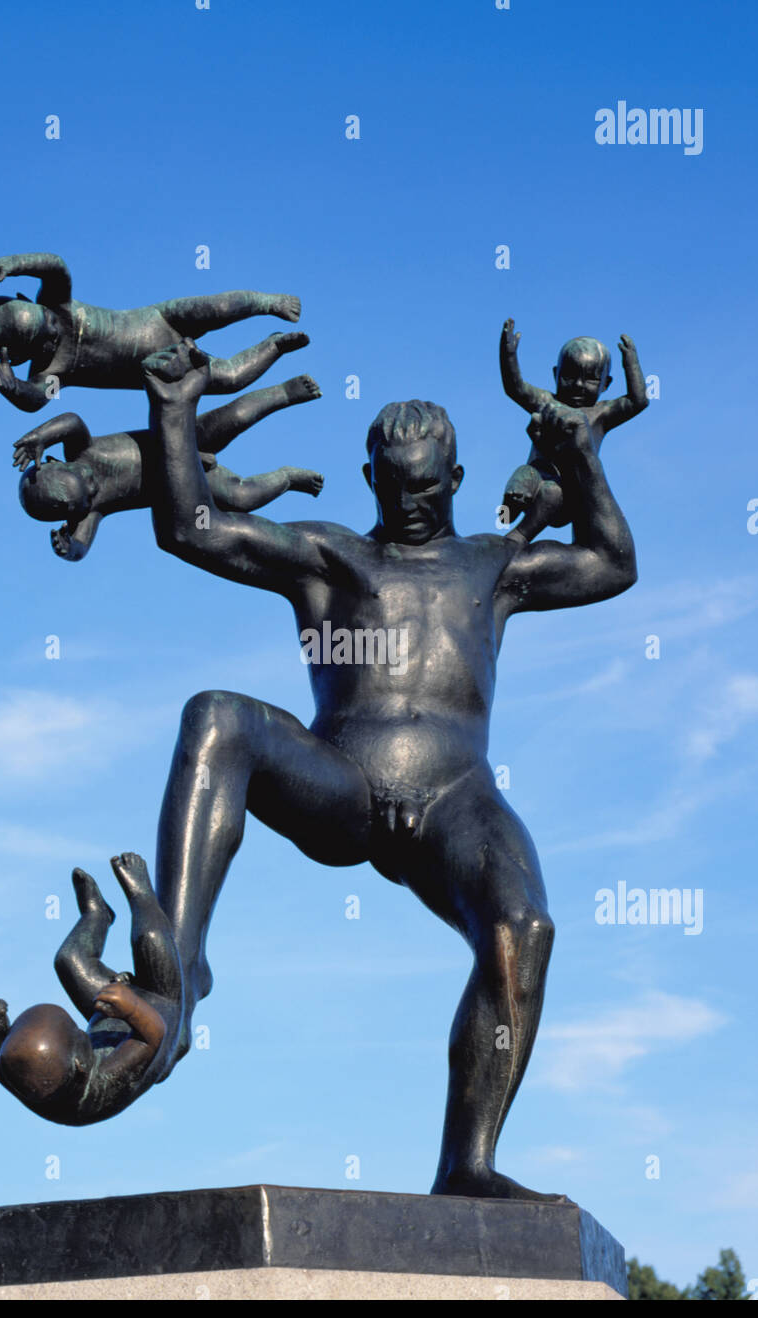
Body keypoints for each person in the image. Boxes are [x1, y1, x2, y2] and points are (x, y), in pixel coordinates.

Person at [140, 339, 637, 1201]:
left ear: (455, 477)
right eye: (395, 485)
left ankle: (466, 1165)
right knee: (216, 714)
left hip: (457, 800)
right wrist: (175, 411)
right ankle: (177, 974)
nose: (412, 502)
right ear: (371, 478)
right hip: (342, 781)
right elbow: (192, 527)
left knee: (524, 929)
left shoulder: (493, 567)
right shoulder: (332, 558)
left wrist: (581, 457)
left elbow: (611, 564)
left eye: (429, 486)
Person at [11, 375, 325, 561]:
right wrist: (70, 551)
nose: (94, 487)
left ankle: (283, 393)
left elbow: (72, 421)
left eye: (85, 477)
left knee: (236, 418)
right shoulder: (90, 512)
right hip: (186, 479)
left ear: (57, 461)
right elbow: (81, 545)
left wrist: (39, 436)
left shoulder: (82, 449)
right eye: (88, 496)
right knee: (243, 497)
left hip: (181, 437)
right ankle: (287, 477)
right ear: (74, 510)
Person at [0, 854, 182, 1125]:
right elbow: (152, 1036)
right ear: (79, 1065)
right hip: (156, 1009)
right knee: (149, 939)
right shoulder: (103, 1085)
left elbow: (2, 1071)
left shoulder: (32, 1082)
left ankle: (97, 915)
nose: (80, 1025)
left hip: (110, 1014)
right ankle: (141, 894)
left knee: (68, 960)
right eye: (77, 1031)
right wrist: (133, 1008)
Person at [0, 251, 307, 412]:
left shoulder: (56, 303)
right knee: (231, 378)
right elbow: (34, 400)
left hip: (160, 320)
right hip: (164, 368)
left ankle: (266, 302)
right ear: (17, 356)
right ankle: (275, 346)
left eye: (43, 316)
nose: (54, 325)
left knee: (219, 308)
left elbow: (55, 266)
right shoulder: (52, 371)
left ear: (27, 299)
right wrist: (12, 387)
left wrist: (17, 264)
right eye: (44, 335)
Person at [499, 320, 647, 542]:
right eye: (569, 376)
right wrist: (508, 354)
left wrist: (631, 363)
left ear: (605, 383)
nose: (578, 384)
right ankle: (508, 511)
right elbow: (515, 387)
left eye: (590, 379)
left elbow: (638, 400)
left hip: (571, 490)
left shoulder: (601, 413)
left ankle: (519, 536)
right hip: (537, 475)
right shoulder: (546, 401)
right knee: (521, 477)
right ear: (555, 374)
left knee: (551, 492)